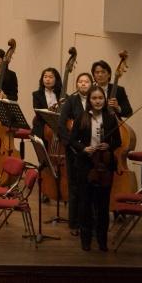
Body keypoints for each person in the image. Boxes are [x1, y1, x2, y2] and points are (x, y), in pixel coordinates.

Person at [71, 85, 120, 252]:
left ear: (104, 100)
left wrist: (109, 145)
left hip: (105, 166)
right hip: (86, 165)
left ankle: (102, 239)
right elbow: (72, 140)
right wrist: (84, 148)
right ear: (89, 101)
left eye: (100, 98)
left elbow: (118, 142)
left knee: (103, 205)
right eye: (94, 98)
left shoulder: (110, 118)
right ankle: (86, 239)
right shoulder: (82, 117)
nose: (97, 101)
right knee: (85, 204)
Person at [58, 72, 94, 235]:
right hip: (73, 149)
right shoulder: (70, 101)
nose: (83, 84)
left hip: (92, 150)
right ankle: (74, 224)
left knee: (90, 186)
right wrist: (71, 144)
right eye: (80, 81)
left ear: (91, 84)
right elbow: (61, 125)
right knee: (74, 187)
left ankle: (90, 222)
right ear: (76, 85)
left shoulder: (96, 100)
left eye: (86, 81)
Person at [31, 67, 63, 143]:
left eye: (51, 77)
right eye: (45, 77)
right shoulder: (36, 95)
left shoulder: (63, 95)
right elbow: (38, 114)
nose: (47, 79)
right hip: (42, 125)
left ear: (56, 79)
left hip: (58, 126)